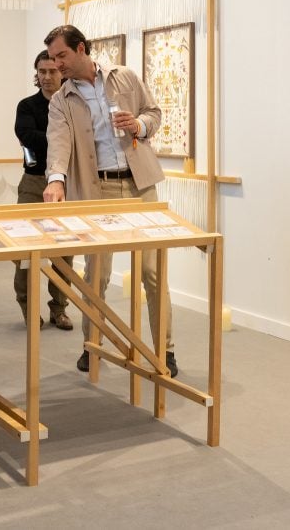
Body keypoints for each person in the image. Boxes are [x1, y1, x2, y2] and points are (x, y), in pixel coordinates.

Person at [42, 25, 178, 378]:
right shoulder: (61, 100)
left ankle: (165, 349)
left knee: (152, 271)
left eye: (62, 56)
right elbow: (58, 144)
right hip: (97, 190)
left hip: (141, 185)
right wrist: (56, 181)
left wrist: (138, 124)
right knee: (97, 273)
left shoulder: (125, 78)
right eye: (53, 59)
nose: (57, 66)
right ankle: (93, 346)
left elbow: (154, 114)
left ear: (82, 49)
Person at [12, 50, 73, 331]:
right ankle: (27, 307)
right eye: (42, 72)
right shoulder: (27, 106)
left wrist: (54, 139)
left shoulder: (73, 104)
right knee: (26, 251)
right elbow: (27, 136)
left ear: (62, 71)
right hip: (35, 182)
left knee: (64, 252)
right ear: (36, 74)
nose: (47, 77)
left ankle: (59, 308)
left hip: (66, 183)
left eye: (52, 71)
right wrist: (62, 139)